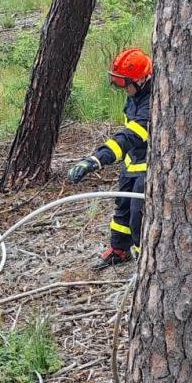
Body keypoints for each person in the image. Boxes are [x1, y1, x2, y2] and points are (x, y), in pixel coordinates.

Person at [67, 46, 153, 269]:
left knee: (138, 213)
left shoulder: (152, 102)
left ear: (142, 79)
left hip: (148, 167)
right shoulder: (134, 95)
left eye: (125, 83)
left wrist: (96, 160)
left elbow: (129, 136)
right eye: (118, 81)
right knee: (122, 208)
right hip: (131, 163)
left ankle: (145, 261)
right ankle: (118, 249)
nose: (122, 88)